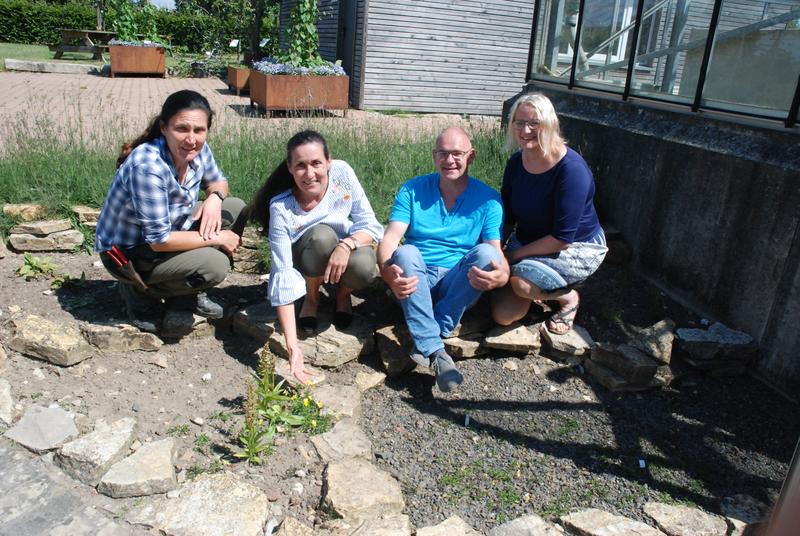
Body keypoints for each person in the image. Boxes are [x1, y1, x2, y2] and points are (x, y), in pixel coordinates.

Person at [95, 89, 245, 333]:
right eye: (182, 129)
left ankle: (184, 292)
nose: (191, 138)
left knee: (234, 207)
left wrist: (215, 198)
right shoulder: (148, 166)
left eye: (199, 130)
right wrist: (218, 237)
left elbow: (219, 182)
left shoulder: (197, 149)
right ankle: (139, 292)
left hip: (171, 229)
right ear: (164, 128)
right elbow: (158, 240)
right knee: (215, 264)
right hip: (130, 253)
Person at [377, 127, 509, 392]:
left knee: (486, 254)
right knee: (404, 252)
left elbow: (496, 250)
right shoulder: (412, 189)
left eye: (457, 154)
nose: (450, 161)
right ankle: (438, 351)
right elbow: (391, 238)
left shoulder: (489, 200)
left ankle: (428, 334)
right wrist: (386, 271)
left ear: (471, 156)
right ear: (434, 156)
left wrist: (501, 275)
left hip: (457, 282)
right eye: (443, 154)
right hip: (417, 277)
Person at [250, 130, 384, 384]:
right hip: (309, 254)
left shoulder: (343, 174)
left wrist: (346, 246)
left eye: (316, 163)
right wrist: (293, 349)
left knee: (366, 265)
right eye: (300, 165)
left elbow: (370, 224)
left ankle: (342, 297)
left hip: (346, 245)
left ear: (328, 162)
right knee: (322, 238)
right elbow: (282, 271)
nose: (309, 174)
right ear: (289, 167)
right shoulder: (282, 207)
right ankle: (312, 298)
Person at [491, 93, 607, 334]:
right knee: (503, 315)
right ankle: (536, 284)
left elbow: (562, 238)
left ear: (550, 124)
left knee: (521, 283)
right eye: (519, 122)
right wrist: (497, 245)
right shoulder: (516, 163)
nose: (525, 130)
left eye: (534, 123)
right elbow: (508, 211)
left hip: (575, 246)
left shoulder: (571, 170)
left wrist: (512, 256)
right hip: (529, 239)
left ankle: (568, 298)